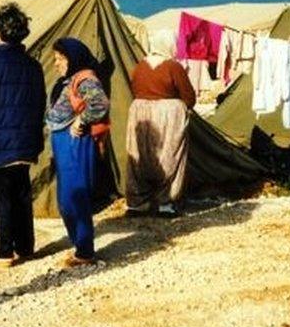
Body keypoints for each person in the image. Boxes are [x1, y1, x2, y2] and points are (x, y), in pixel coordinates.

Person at [0, 3, 45, 268]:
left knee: (1, 196)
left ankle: (3, 253)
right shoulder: (34, 66)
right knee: (23, 193)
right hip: (25, 140)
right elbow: (39, 103)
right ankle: (26, 246)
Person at [46, 38, 110, 267]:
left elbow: (100, 104)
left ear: (73, 57)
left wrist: (82, 120)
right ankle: (79, 246)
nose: (56, 63)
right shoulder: (72, 79)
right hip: (64, 142)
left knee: (76, 195)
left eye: (61, 58)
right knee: (66, 198)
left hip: (75, 143)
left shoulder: (85, 78)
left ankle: (85, 251)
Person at [126, 33, 196, 218]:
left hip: (140, 112)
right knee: (169, 155)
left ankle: (138, 203)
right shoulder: (173, 66)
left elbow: (135, 88)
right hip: (167, 114)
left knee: (141, 156)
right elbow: (188, 96)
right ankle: (166, 202)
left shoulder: (140, 66)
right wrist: (183, 106)